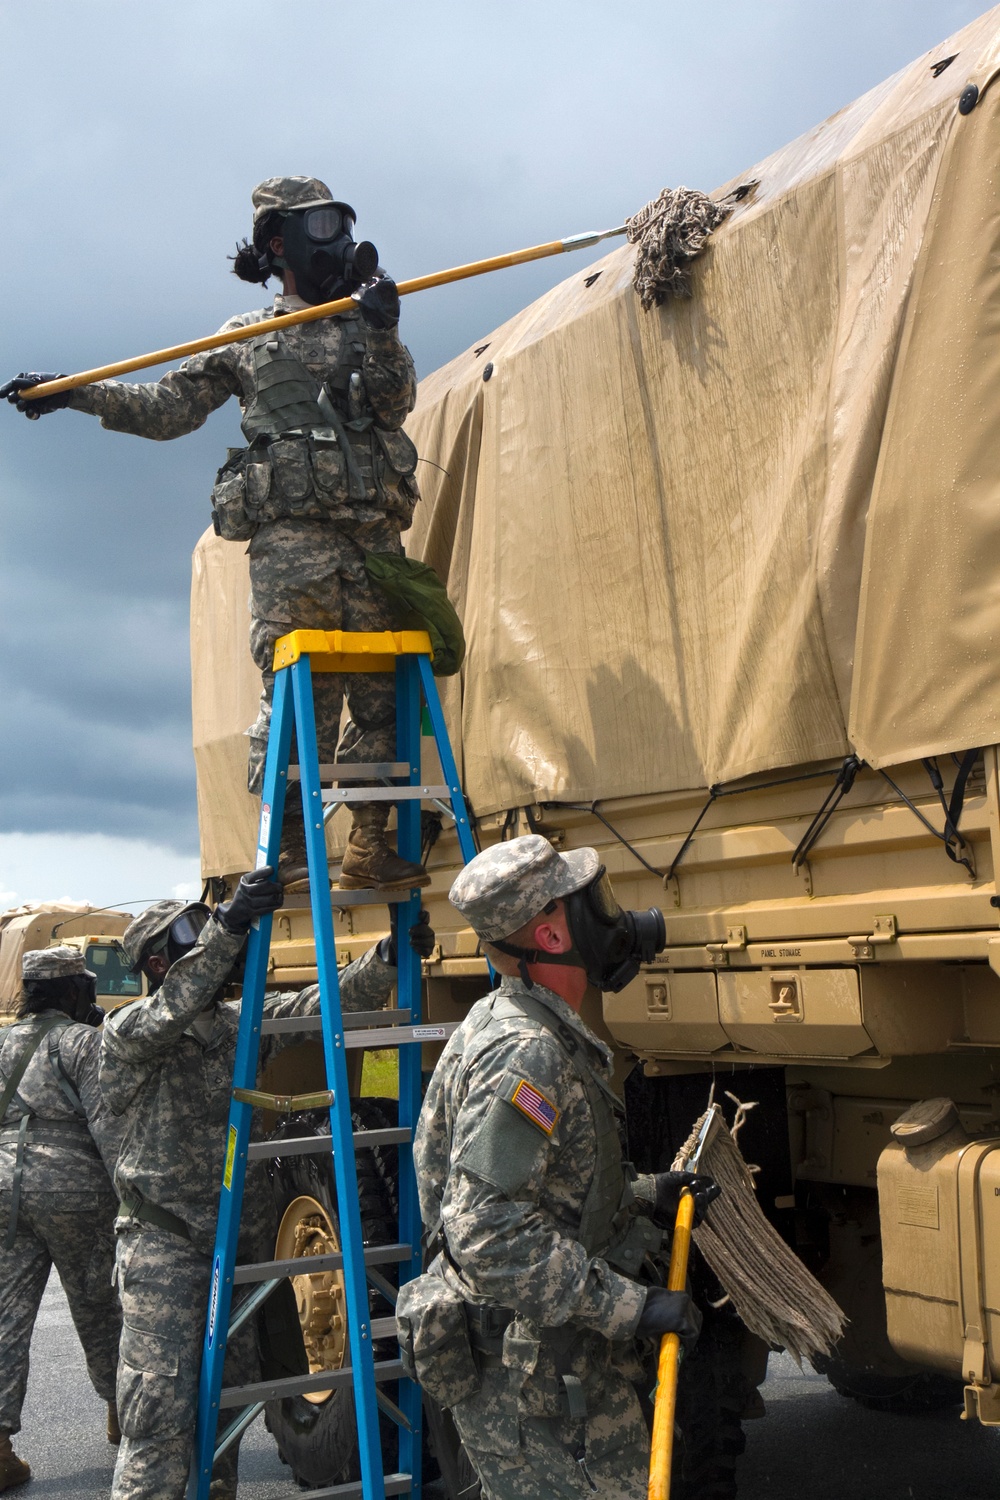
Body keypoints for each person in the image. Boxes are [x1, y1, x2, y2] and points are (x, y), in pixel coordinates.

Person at [0, 174, 428, 894]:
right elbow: (166, 409)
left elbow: (394, 405)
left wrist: (385, 328)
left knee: (385, 698)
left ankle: (369, 845)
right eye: (317, 229)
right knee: (306, 703)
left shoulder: (367, 326)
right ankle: (292, 848)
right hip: (295, 548)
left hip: (374, 538)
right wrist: (74, 393)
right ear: (277, 244)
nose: (337, 243)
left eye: (340, 225)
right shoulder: (246, 339)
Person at [401, 835, 720, 1500]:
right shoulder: (527, 1054)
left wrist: (640, 1194)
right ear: (549, 936)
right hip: (535, 1384)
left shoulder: (512, 1024)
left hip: (545, 1370)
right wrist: (631, 1307)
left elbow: (537, 1195)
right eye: (590, 905)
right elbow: (488, 1235)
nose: (610, 918)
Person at [102, 870, 434, 1500]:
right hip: (166, 1250)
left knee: (226, 1410)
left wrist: (386, 958)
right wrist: (227, 928)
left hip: (238, 1244)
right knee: (159, 1420)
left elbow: (319, 1004)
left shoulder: (235, 1022)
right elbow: (173, 1006)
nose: (209, 946)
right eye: (189, 938)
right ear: (156, 961)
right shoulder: (130, 1033)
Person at [0, 946, 125, 1492]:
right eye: (88, 988)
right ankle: (128, 1415)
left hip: (3, 1185)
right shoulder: (82, 1042)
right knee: (102, 1305)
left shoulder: (0, 1040)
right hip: (74, 1187)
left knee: (6, 1315)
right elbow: (110, 1123)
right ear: (72, 991)